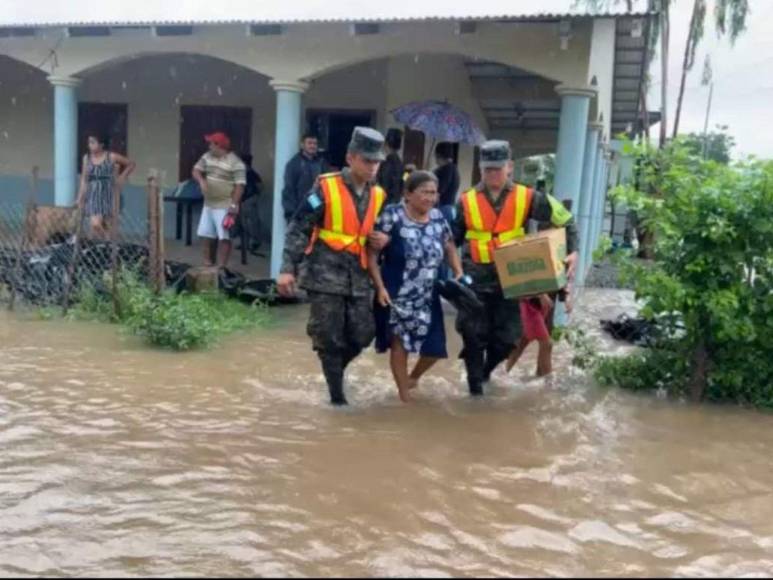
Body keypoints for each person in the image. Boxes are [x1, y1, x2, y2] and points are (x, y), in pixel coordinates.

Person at [453, 140, 579, 396]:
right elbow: (450, 239)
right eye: (487, 169)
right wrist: (453, 272)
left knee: (508, 340)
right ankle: (475, 389)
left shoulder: (528, 196)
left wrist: (573, 251)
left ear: (510, 167)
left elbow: (566, 220)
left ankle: (486, 372)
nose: (492, 174)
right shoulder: (465, 201)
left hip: (513, 281)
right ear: (480, 168)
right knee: (473, 334)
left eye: (498, 169)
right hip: (475, 278)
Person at [277, 127, 389, 406]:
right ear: (351, 158)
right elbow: (299, 228)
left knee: (364, 333)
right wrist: (287, 268)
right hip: (324, 274)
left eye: (376, 162)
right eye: (367, 160)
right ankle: (337, 399)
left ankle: (335, 372)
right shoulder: (324, 187)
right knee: (328, 337)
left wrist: (383, 238)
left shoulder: (379, 195)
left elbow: (381, 229)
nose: (373, 167)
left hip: (359, 275)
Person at [368, 171, 464, 403]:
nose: (430, 198)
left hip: (427, 293)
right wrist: (379, 287)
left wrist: (458, 271)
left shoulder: (439, 217)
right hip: (397, 291)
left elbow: (449, 244)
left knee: (435, 348)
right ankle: (404, 396)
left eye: (434, 193)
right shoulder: (392, 215)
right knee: (399, 344)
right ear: (408, 194)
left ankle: (413, 377)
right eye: (425, 193)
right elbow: (372, 254)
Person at [192, 131, 246, 267]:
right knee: (206, 234)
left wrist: (234, 205)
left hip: (225, 204)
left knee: (224, 237)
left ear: (219, 146)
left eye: (211, 144)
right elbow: (196, 170)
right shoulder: (207, 157)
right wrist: (201, 181)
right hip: (209, 203)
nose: (209, 147)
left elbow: (240, 186)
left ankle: (222, 266)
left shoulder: (235, 162)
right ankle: (207, 262)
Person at [76, 133, 135, 239]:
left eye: (93, 142)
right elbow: (84, 179)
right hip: (93, 194)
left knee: (109, 225)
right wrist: (80, 198)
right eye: (89, 142)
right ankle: (105, 242)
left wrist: (122, 177)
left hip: (109, 192)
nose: (90, 145)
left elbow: (130, 164)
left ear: (101, 144)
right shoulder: (87, 158)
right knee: (95, 224)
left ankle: (107, 246)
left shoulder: (111, 156)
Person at [281, 133, 330, 223]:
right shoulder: (294, 164)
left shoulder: (322, 163)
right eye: (309, 143)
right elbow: (289, 190)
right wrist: (291, 214)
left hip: (317, 210)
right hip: (299, 212)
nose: (312, 146)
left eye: (315, 143)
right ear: (302, 145)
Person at [239, 153, 263, 253]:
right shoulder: (244, 173)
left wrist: (254, 196)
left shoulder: (251, 173)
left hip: (249, 200)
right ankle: (246, 243)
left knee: (252, 222)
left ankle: (255, 242)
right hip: (244, 199)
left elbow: (260, 186)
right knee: (244, 223)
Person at [377, 128, 405, 204]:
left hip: (385, 200)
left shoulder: (386, 163)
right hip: (396, 200)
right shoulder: (401, 164)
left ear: (385, 144)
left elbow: (384, 183)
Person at [433, 142, 460, 218]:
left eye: (435, 156)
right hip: (450, 207)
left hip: (443, 208)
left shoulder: (446, 170)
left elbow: (439, 189)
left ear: (439, 155)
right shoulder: (453, 168)